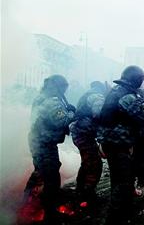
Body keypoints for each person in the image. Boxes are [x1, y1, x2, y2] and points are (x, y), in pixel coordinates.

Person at [98, 66, 144, 224]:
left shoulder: (116, 90)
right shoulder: (129, 96)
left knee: (118, 180)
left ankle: (121, 212)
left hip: (111, 142)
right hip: (118, 144)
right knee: (123, 182)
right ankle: (116, 217)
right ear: (137, 80)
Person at [24, 74, 76, 223]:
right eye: (64, 88)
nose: (65, 91)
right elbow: (61, 121)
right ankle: (50, 213)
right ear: (58, 86)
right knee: (51, 179)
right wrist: (72, 113)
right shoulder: (51, 100)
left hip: (38, 141)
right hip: (44, 144)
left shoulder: (42, 96)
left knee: (39, 173)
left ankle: (25, 203)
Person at [70, 81, 106, 208]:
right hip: (84, 134)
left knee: (87, 162)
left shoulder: (87, 94)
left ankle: (80, 189)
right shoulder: (97, 96)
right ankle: (88, 195)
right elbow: (99, 115)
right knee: (94, 164)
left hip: (80, 133)